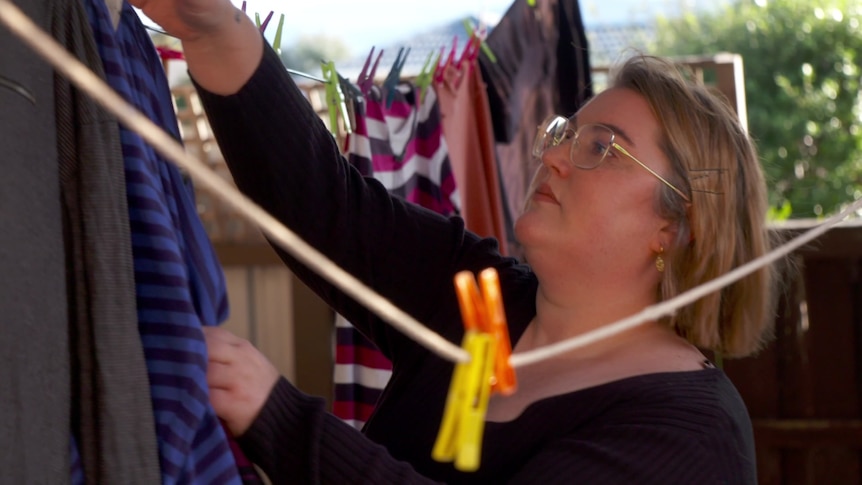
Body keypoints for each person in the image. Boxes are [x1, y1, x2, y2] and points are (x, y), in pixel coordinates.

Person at [131, 0, 776, 483]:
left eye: (602, 149)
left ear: (676, 225)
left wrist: (276, 415)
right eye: (562, 134)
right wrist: (212, 25)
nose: (551, 158)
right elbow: (325, 207)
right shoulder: (482, 302)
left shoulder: (692, 435)